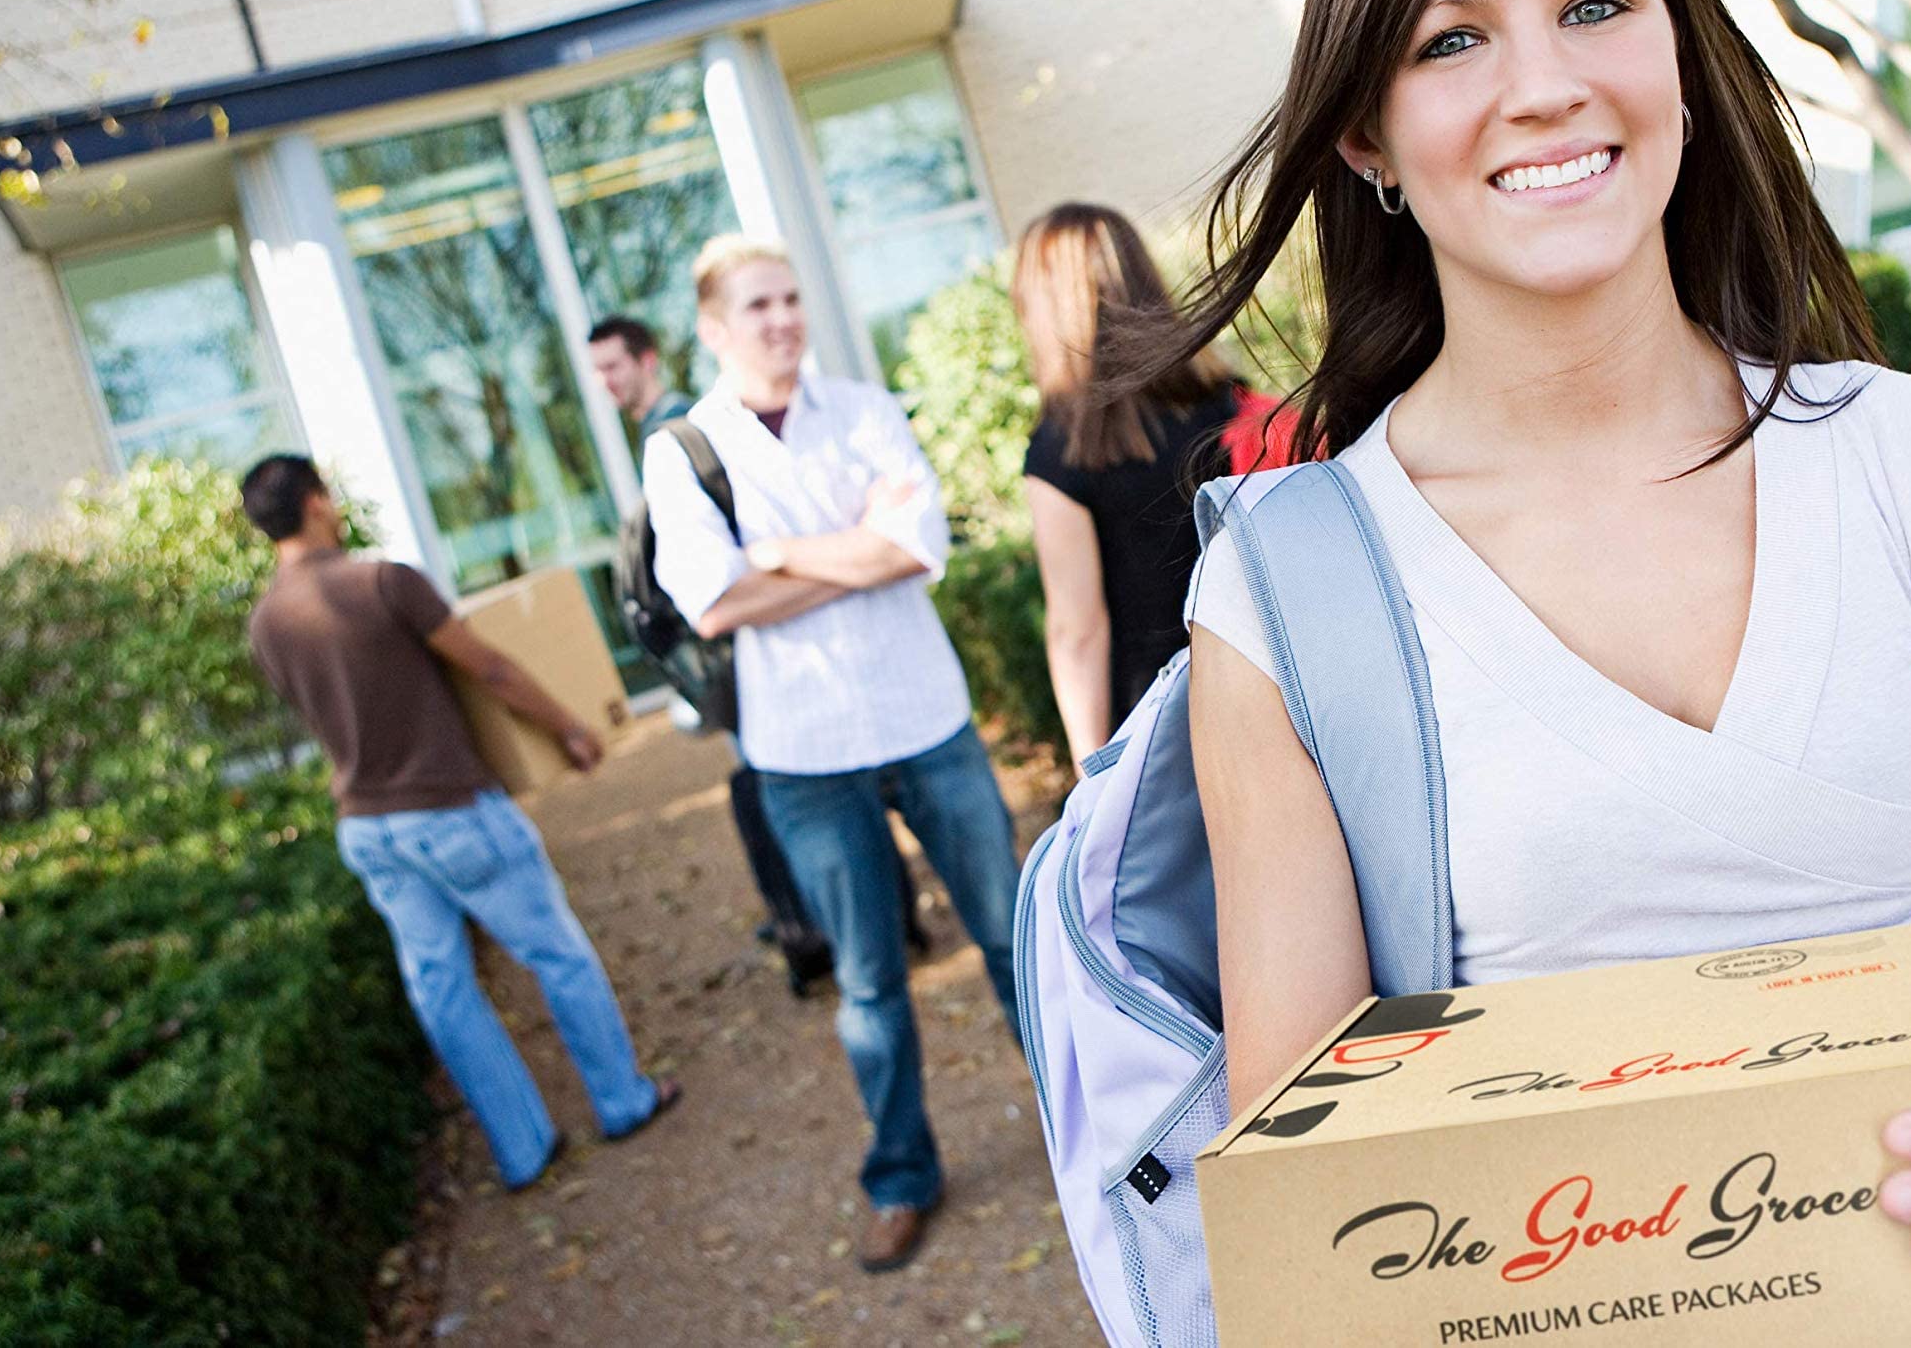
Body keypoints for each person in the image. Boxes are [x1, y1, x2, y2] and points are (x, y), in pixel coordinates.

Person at [1117, 0, 1911, 1346]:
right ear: (1367, 131)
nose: (1542, 84)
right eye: (1452, 38)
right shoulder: (1283, 590)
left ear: (1677, 53)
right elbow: (1313, 1215)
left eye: (1596, 6)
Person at [640, 234, 1021, 1275]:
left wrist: (773, 556)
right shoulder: (684, 451)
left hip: (923, 718)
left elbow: (915, 547)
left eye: (792, 299)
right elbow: (713, 606)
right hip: (804, 752)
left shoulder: (863, 410)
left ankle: (1110, 1131)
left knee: (1012, 936)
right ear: (714, 329)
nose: (782, 320)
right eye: (758, 306)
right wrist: (849, 557)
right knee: (868, 983)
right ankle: (902, 1178)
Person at [240, 455, 679, 1191]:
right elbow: (490, 669)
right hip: (449, 811)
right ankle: (623, 1098)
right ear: (317, 502)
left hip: (368, 829)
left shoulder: (264, 625)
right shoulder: (383, 582)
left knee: (442, 989)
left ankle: (524, 1147)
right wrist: (568, 725)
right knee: (556, 951)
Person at [1013, 202, 1249, 757]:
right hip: (1263, 678)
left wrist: (1090, 771)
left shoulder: (1060, 449)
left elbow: (1077, 631)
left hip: (1159, 719)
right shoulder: (1227, 401)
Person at [587, 315, 695, 433]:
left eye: (612, 367)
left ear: (647, 361)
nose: (604, 380)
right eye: (598, 370)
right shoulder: (656, 422)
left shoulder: (674, 419)